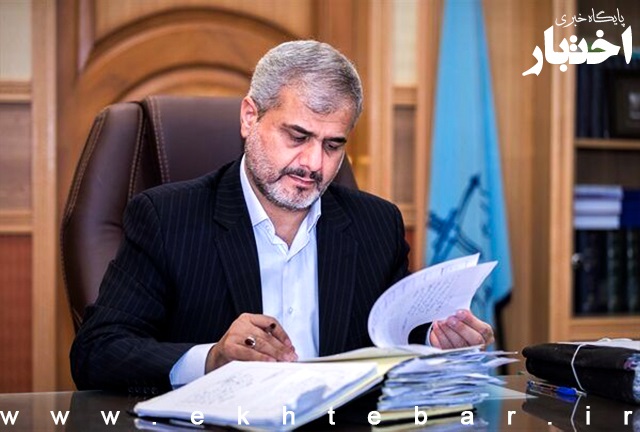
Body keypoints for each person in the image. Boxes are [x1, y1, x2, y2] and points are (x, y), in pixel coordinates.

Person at [70, 40, 494, 394]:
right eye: (297, 136)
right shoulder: (167, 218)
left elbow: (391, 332)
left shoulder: (376, 225)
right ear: (250, 117)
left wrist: (438, 340)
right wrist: (211, 359)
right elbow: (97, 351)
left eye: (332, 145)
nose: (313, 164)